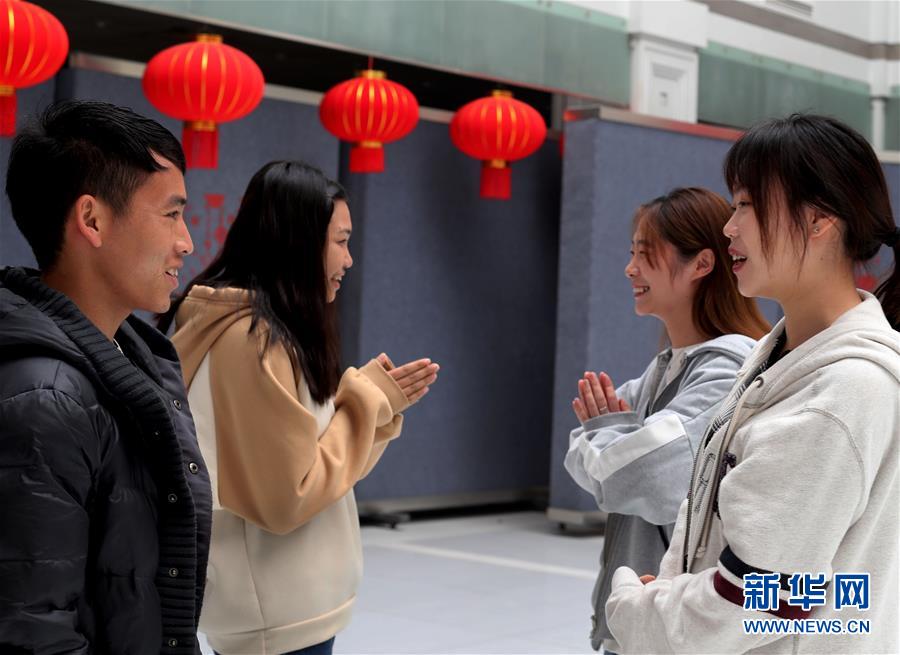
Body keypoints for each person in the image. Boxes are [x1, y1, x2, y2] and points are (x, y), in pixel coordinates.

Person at [606, 114, 900, 654]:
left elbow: (761, 599)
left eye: (747, 204)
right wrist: (677, 592)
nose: (729, 227)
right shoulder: (779, 358)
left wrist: (639, 610)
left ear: (819, 219)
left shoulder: (840, 392)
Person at [158, 160, 439, 655]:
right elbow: (288, 497)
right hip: (278, 615)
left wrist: (374, 403)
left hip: (280, 609)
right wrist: (365, 400)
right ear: (299, 242)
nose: (348, 259)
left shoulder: (251, 328)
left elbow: (310, 469)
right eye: (340, 241)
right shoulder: (252, 340)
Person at [0, 100, 211, 653]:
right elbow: (35, 632)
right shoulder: (47, 398)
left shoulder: (131, 355)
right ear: (91, 220)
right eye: (171, 214)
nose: (186, 242)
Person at [564, 187, 771, 654]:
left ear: (701, 264)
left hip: (678, 625)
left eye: (646, 254)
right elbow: (582, 458)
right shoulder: (665, 368)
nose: (630, 268)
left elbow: (641, 479)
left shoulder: (728, 369)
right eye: (631, 253)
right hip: (643, 616)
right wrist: (612, 443)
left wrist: (607, 434)